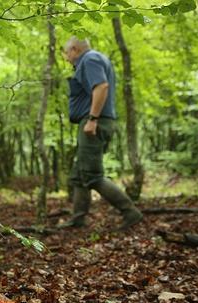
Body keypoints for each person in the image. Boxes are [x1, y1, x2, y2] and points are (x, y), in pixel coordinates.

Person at [58, 37, 142, 231]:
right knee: (80, 174)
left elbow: (101, 86)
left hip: (94, 122)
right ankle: (78, 219)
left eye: (67, 52)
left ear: (75, 49)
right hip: (91, 121)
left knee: (92, 175)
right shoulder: (93, 59)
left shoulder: (90, 59)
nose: (66, 57)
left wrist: (93, 119)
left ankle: (130, 212)